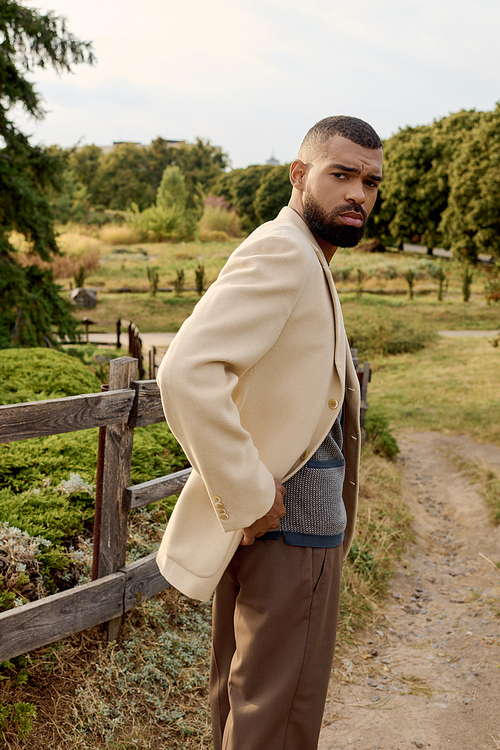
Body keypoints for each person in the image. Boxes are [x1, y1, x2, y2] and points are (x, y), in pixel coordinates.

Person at [156, 115, 384, 750]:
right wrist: (252, 492)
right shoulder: (285, 249)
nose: (358, 195)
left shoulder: (307, 254)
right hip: (289, 528)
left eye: (370, 182)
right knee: (277, 717)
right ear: (299, 173)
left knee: (244, 705)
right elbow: (186, 371)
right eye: (341, 175)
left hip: (278, 525)